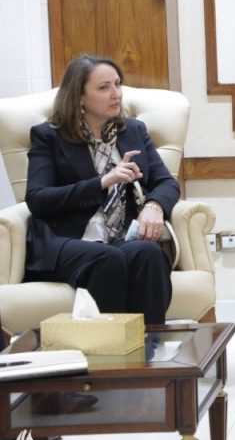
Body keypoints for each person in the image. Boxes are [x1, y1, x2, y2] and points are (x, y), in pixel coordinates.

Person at [24, 54, 177, 325]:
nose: (116, 94)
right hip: (67, 241)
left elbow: (166, 182)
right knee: (108, 258)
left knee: (149, 254)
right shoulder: (49, 136)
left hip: (119, 238)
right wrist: (102, 183)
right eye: (104, 87)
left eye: (117, 84)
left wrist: (154, 207)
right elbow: (37, 198)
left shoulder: (133, 131)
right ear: (79, 97)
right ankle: (109, 347)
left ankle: (151, 344)